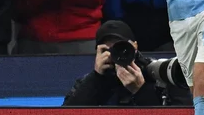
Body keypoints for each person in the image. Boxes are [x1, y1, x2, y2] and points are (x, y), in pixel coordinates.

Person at [62, 20, 192, 106]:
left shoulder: (158, 74)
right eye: (109, 50)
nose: (117, 55)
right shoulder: (91, 83)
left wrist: (141, 90)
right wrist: (97, 78)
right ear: (98, 52)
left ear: (135, 46)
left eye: (123, 48)